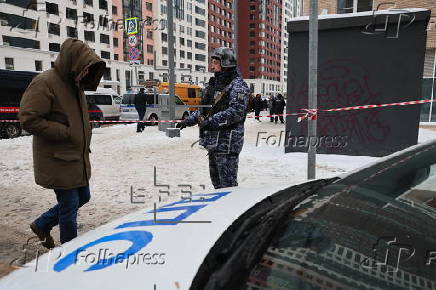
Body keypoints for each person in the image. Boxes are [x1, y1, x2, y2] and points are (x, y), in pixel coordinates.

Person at [19, 38, 106, 248]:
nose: (86, 73)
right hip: (57, 158)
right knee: (69, 205)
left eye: (89, 70)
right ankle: (70, 252)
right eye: (84, 68)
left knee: (83, 196)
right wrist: (64, 132)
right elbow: (29, 119)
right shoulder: (45, 82)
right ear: (73, 63)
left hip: (76, 157)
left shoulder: (75, 86)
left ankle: (42, 224)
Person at [176, 47, 249, 189]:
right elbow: (205, 110)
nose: (212, 66)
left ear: (226, 63)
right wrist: (188, 120)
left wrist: (210, 121)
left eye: (215, 63)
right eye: (213, 62)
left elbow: (236, 112)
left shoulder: (238, 85)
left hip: (228, 142)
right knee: (216, 182)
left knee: (228, 185)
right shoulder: (213, 85)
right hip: (213, 142)